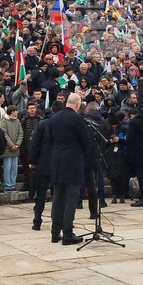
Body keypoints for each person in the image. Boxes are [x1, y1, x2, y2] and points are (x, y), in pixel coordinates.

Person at [48, 93, 93, 244]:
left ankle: (55, 233)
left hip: (56, 160)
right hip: (72, 161)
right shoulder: (77, 118)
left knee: (57, 199)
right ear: (77, 105)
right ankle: (67, 234)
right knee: (71, 199)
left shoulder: (53, 118)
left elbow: (49, 139)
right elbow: (86, 141)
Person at [28, 99, 62, 231]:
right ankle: (58, 221)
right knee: (58, 195)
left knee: (41, 194)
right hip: (58, 163)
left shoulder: (42, 124)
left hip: (43, 162)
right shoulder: (61, 124)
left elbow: (34, 143)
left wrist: (32, 160)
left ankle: (37, 220)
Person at [0, 105, 23, 192]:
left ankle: (13, 184)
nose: (17, 112)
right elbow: (4, 134)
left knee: (14, 169)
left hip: (16, 149)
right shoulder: (4, 121)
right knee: (7, 168)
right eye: (16, 110)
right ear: (12, 111)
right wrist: (11, 145)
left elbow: (21, 133)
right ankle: (7, 185)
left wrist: (17, 144)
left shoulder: (17, 121)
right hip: (7, 149)